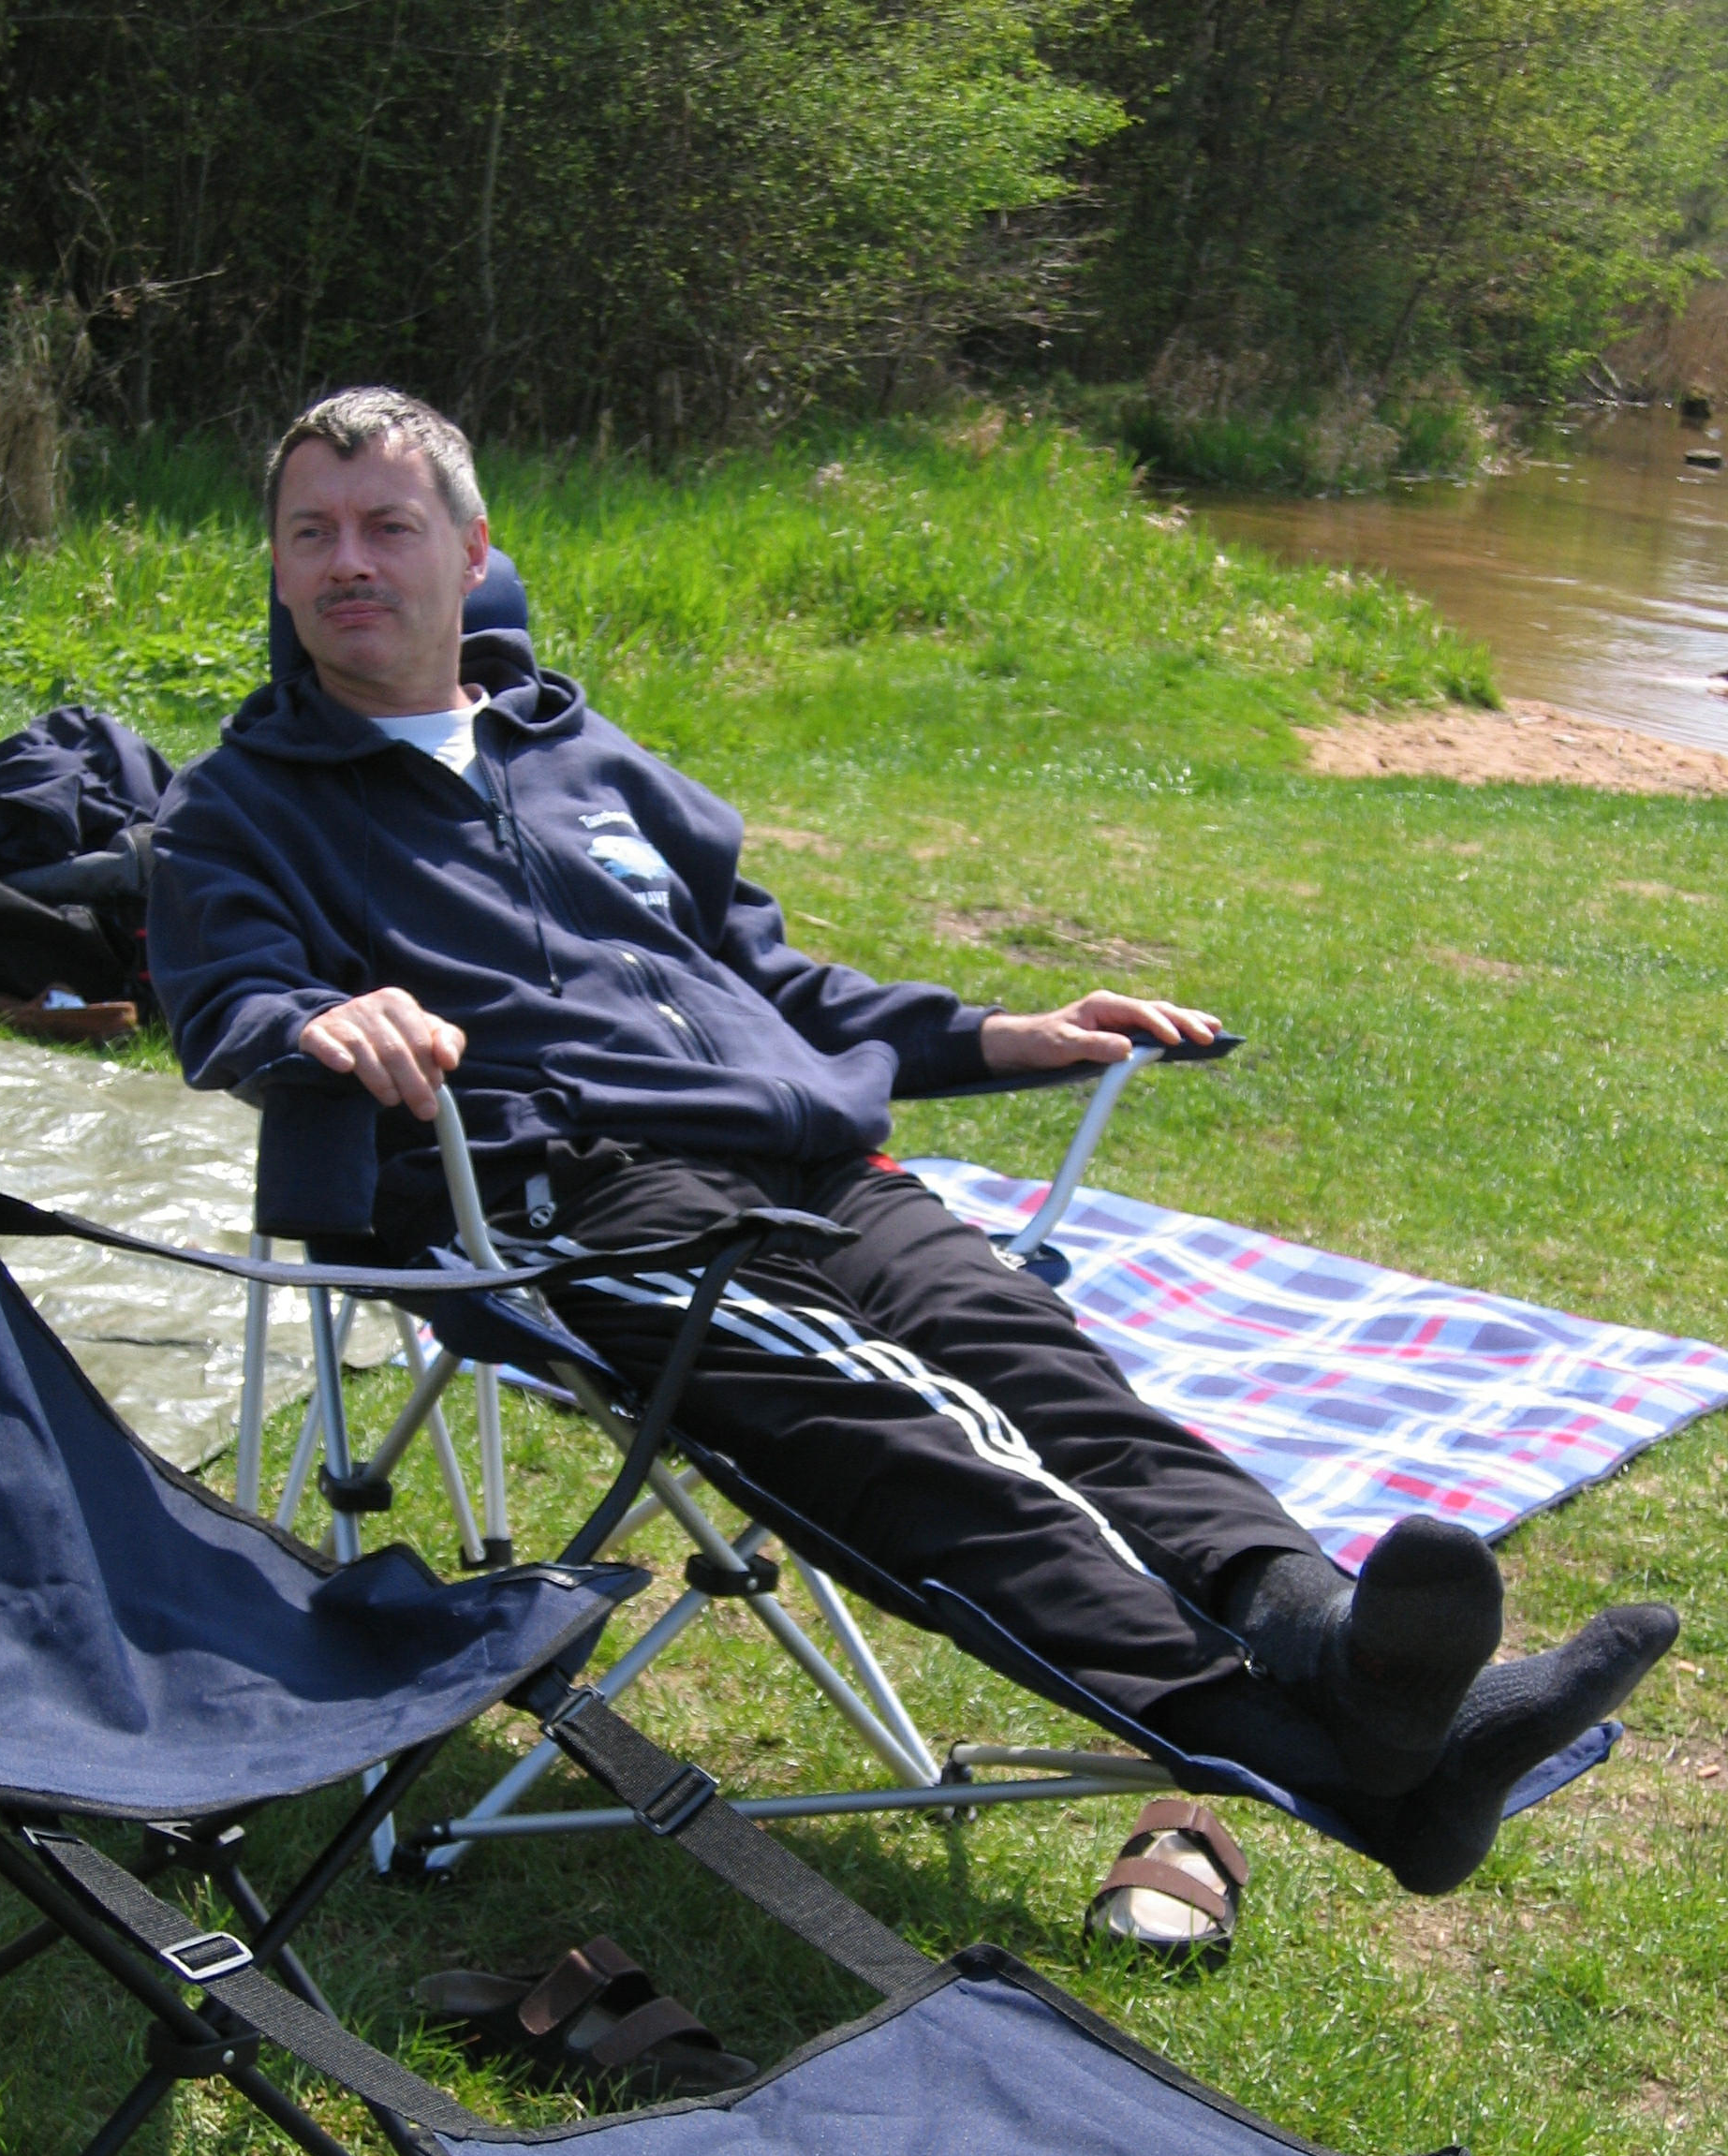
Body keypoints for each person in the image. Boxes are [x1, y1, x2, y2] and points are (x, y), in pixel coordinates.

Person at [149, 388, 1676, 1898]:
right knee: (917, 1435)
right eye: (312, 533)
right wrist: (323, 1023)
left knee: (1046, 1366)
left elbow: (772, 985)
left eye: (388, 525)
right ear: (278, 566)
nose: (351, 562)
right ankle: (1341, 1762)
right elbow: (226, 1001)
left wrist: (1005, 1034)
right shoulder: (244, 807)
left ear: (473, 552)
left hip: (814, 1164)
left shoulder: (588, 758)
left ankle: (1328, 1638)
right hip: (581, 1201)